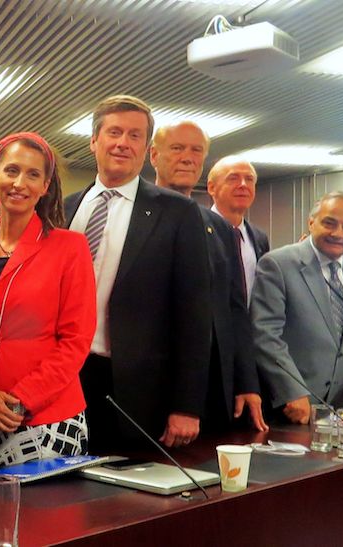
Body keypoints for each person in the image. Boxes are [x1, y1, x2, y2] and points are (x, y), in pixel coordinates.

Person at [64, 95, 212, 451]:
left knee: (126, 501)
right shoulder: (65, 208)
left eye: (135, 136)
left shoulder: (178, 213)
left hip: (134, 388)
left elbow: (194, 315)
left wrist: (186, 406)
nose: (122, 143)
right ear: (94, 141)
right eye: (114, 132)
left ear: (146, 149)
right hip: (64, 378)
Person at [0, 133, 95, 472]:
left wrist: (20, 402)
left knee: (47, 522)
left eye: (33, 175)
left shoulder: (69, 247)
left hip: (46, 418)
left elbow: (76, 341)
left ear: (46, 185)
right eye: (12, 170)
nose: (20, 183)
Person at [150, 121, 267, 433]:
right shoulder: (134, 217)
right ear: (153, 156)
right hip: (150, 385)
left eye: (196, 150)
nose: (188, 157)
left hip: (213, 389)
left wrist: (246, 381)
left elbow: (234, 310)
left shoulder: (218, 228)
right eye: (177, 148)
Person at [252, 191, 343, 424]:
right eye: (329, 223)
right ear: (311, 222)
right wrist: (292, 390)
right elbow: (264, 333)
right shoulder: (277, 264)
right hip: (288, 409)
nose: (338, 233)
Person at [207, 156, 269, 298]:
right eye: (233, 178)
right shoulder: (195, 229)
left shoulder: (259, 238)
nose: (243, 185)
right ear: (212, 188)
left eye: (249, 179)